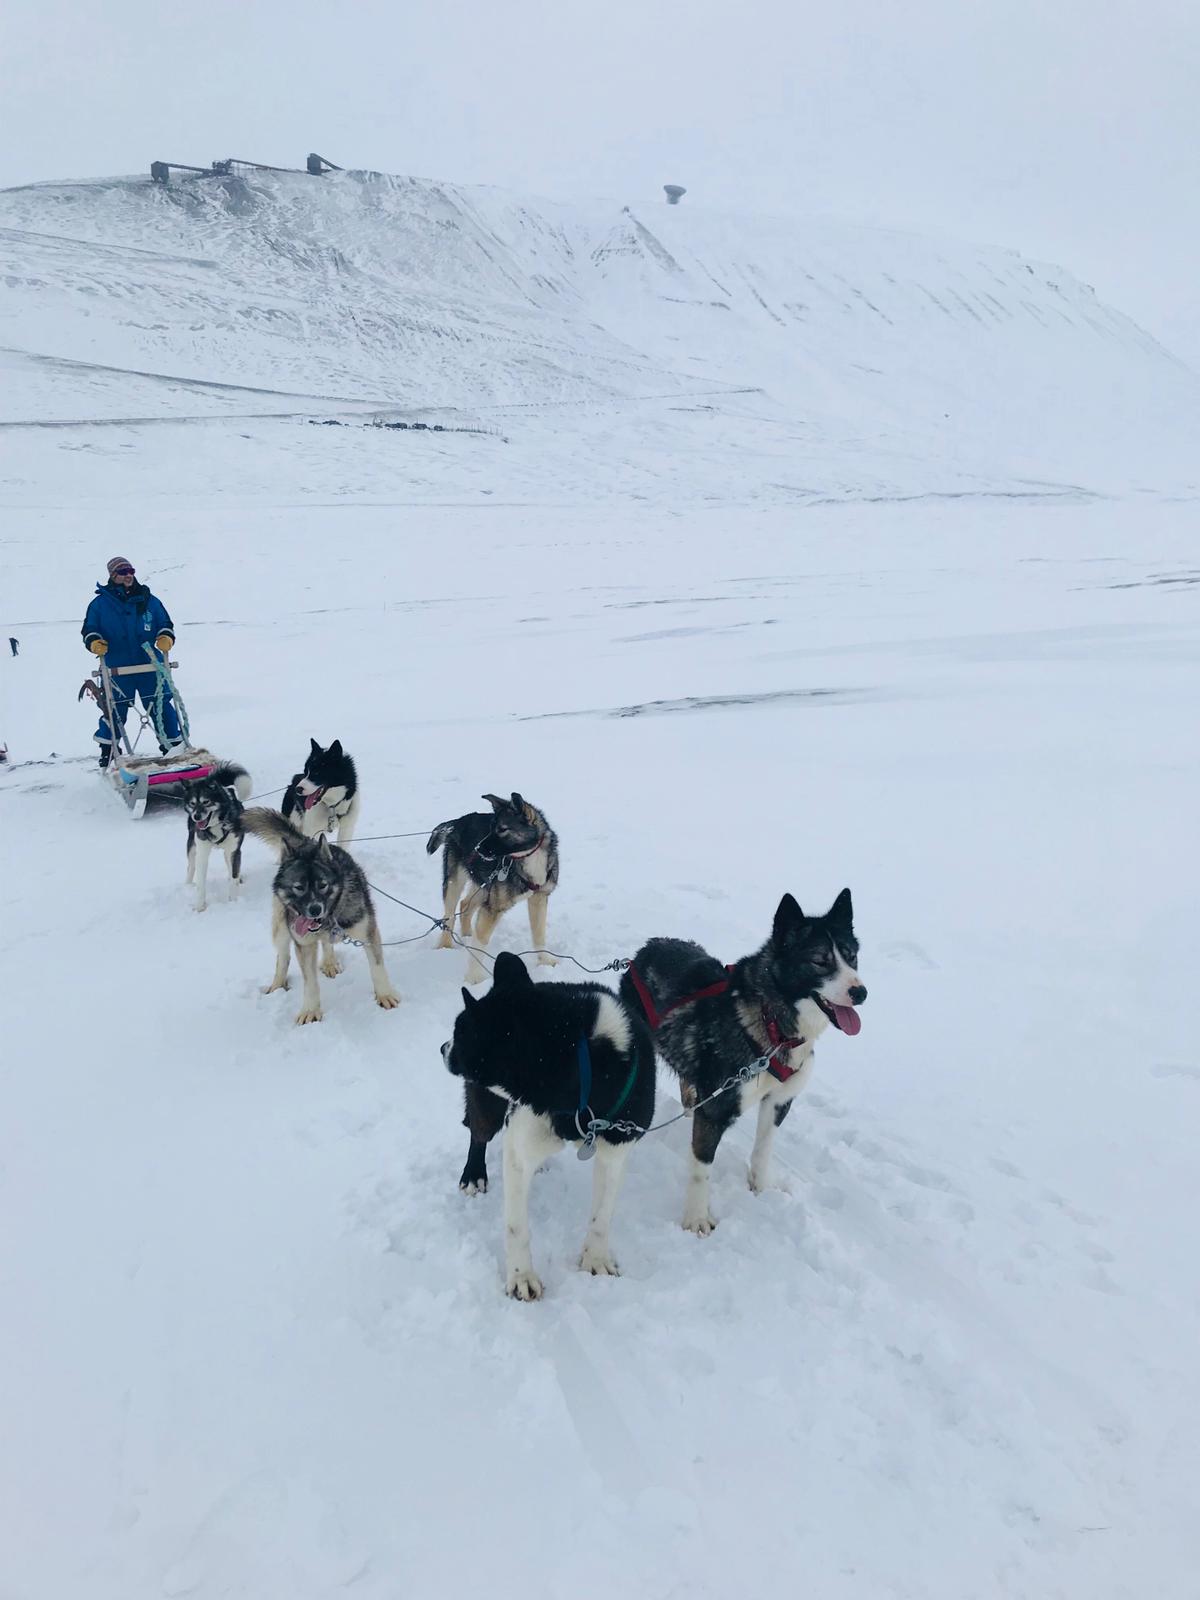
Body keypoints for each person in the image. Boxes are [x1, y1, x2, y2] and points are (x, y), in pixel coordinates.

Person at [82, 557, 182, 766]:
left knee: (161, 705)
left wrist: (165, 637)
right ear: (112, 575)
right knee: (114, 708)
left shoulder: (149, 600)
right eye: (122, 571)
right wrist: (94, 642)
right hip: (116, 667)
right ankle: (109, 750)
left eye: (131, 570)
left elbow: (165, 622)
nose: (128, 575)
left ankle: (174, 747)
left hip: (149, 665)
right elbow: (89, 629)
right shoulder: (99, 605)